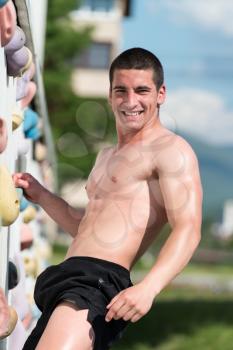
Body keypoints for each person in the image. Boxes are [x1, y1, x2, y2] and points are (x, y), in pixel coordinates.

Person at [13, 47, 202, 350]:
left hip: (98, 282)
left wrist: (148, 288)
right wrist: (42, 196)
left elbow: (189, 228)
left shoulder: (171, 150)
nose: (130, 101)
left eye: (142, 90)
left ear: (161, 94)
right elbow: (87, 227)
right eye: (121, 91)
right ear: (110, 95)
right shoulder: (106, 156)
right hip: (67, 275)